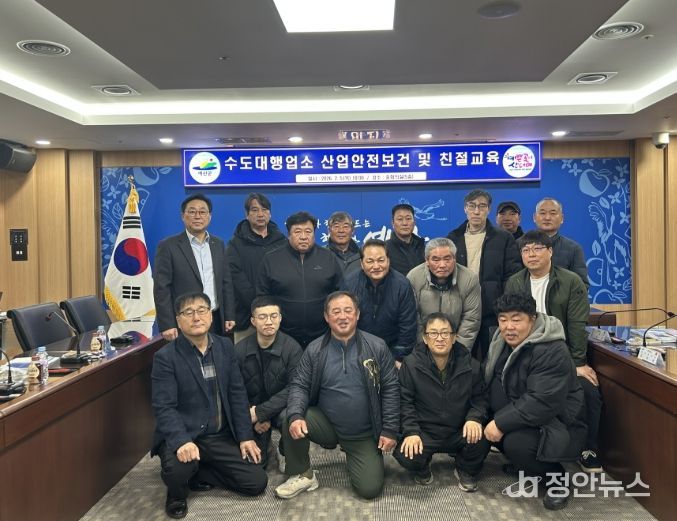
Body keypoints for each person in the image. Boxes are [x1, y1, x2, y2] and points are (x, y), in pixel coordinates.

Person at [151, 292, 267, 519]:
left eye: (202, 310)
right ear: (178, 320)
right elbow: (164, 407)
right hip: (186, 434)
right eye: (188, 312)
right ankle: (176, 494)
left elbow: (237, 394)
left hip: (218, 435)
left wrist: (245, 436)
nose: (196, 317)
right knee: (177, 471)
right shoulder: (165, 357)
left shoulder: (225, 346)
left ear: (211, 316)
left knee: (256, 481)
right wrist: (182, 441)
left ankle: (199, 472)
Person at [274, 291, 399, 500]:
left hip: (363, 433)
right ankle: (303, 473)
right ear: (326, 317)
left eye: (348, 310)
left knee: (369, 490)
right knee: (290, 416)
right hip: (327, 425)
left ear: (357, 314)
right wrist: (296, 416)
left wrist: (390, 429)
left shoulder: (377, 347)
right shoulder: (315, 350)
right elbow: (299, 385)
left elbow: (391, 389)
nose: (342, 316)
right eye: (336, 311)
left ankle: (358, 459)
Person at [505, 230, 602, 473]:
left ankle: (588, 449)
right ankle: (524, 446)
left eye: (537, 248)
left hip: (561, 352)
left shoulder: (570, 281)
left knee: (588, 390)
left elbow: (577, 324)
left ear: (550, 252)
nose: (531, 254)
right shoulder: (515, 282)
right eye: (526, 250)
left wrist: (578, 362)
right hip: (526, 352)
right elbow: (510, 320)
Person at [483, 293, 586, 511]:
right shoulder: (500, 341)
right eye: (503, 319)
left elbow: (541, 401)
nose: (509, 327)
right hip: (522, 411)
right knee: (479, 422)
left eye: (516, 319)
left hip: (554, 420)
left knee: (515, 444)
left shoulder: (551, 349)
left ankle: (557, 479)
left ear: (532, 318)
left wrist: (500, 423)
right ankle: (527, 465)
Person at [395, 312, 491, 491]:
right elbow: (404, 401)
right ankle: (423, 467)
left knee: (483, 437)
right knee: (404, 452)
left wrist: (474, 418)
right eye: (433, 333)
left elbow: (480, 398)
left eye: (445, 333)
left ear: (454, 337)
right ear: (425, 338)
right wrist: (411, 431)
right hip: (426, 431)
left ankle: (464, 468)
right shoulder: (411, 364)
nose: (440, 338)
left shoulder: (470, 364)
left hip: (458, 430)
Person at [447, 189, 522, 360]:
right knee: (462, 358)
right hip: (462, 311)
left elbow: (512, 276)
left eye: (482, 206)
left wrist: (504, 307)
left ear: (488, 209)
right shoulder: (453, 238)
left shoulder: (503, 238)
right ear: (465, 208)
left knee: (494, 359)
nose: (476, 211)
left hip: (492, 311)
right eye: (472, 206)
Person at [154, 194, 235, 341]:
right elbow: (161, 288)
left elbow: (226, 282)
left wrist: (229, 315)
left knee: (217, 354)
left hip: (215, 318)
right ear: (183, 216)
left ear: (209, 216)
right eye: (192, 212)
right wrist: (167, 324)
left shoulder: (218, 244)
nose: (197, 216)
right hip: (186, 321)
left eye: (202, 212)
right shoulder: (168, 246)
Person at [234, 296, 303, 472]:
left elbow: (295, 388)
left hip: (279, 409)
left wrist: (262, 413)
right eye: (262, 317)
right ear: (253, 321)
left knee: (291, 416)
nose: (269, 322)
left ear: (280, 318)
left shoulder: (292, 349)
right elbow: (235, 389)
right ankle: (265, 445)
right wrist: (253, 416)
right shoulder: (239, 350)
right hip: (251, 411)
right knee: (257, 466)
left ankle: (284, 449)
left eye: (273, 316)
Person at [257, 211, 343, 348]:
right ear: (289, 234)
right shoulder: (271, 260)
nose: (303, 237)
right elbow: (262, 297)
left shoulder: (328, 257)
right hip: (283, 335)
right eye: (297, 232)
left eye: (308, 231)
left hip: (322, 334)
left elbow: (340, 293)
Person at [341, 239, 417, 363]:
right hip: (357, 350)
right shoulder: (349, 284)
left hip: (392, 351)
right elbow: (344, 322)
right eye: (370, 261)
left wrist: (398, 357)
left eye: (381, 260)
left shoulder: (402, 285)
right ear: (362, 263)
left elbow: (407, 327)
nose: (376, 266)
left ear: (388, 261)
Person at [227, 193, 286, 343]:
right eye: (255, 210)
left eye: (264, 210)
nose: (260, 214)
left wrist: (273, 309)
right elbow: (236, 278)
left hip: (277, 317)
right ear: (247, 214)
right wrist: (258, 307)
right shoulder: (236, 244)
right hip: (247, 317)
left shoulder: (282, 242)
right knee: (245, 355)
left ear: (270, 214)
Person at [407, 238, 481, 349]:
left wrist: (458, 352)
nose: (442, 265)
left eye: (447, 259)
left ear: (454, 259)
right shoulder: (414, 277)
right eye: (436, 260)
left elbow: (471, 320)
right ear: (427, 260)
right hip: (423, 345)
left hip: (456, 344)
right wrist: (423, 349)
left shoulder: (469, 279)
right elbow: (413, 318)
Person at [533, 197, 590, 287]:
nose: (547, 217)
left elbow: (581, 285)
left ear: (562, 218)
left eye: (553, 213)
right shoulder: (521, 245)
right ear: (534, 217)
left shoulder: (573, 248)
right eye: (542, 213)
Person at [385, 203, 425, 276]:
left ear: (414, 222)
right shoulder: (385, 249)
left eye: (408, 218)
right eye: (400, 219)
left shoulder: (423, 247)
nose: (404, 223)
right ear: (392, 223)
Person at [326, 211, 361, 276]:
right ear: (329, 230)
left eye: (345, 226)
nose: (341, 230)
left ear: (353, 230)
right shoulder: (322, 254)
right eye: (336, 226)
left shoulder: (361, 255)